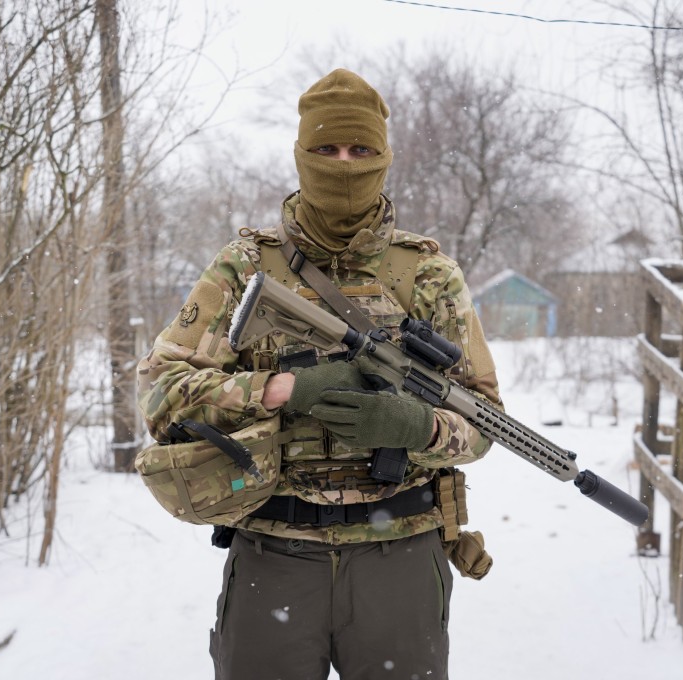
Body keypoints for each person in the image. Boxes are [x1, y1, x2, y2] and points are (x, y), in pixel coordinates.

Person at [137, 68, 502, 680]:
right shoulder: (245, 266)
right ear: (301, 155)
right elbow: (161, 396)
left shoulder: (429, 274)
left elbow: (485, 425)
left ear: (383, 157)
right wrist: (279, 390)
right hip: (274, 552)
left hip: (401, 556)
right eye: (326, 149)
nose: (343, 164)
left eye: (360, 150)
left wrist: (417, 427)